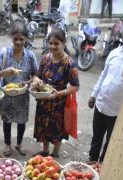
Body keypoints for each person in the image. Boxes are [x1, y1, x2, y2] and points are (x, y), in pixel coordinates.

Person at [88, 15, 123, 162]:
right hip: (101, 105)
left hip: (117, 113)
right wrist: (93, 95)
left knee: (111, 142)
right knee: (96, 137)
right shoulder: (114, 53)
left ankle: (103, 166)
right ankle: (91, 161)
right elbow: (103, 75)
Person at [0, 20, 39, 156]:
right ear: (11, 37)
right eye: (15, 39)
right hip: (6, 95)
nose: (18, 42)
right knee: (6, 121)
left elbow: (36, 73)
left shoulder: (30, 55)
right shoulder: (4, 53)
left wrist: (34, 79)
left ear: (26, 39)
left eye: (21, 39)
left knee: (21, 121)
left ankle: (19, 144)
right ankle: (7, 145)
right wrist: (4, 72)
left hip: (23, 96)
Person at [31, 28, 79, 157]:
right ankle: (45, 151)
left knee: (57, 128)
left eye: (56, 43)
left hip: (59, 102)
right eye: (50, 43)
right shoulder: (45, 58)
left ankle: (55, 153)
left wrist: (59, 93)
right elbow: (37, 76)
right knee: (44, 126)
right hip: (44, 100)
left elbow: (75, 86)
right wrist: (37, 81)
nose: (52, 46)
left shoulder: (69, 63)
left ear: (64, 44)